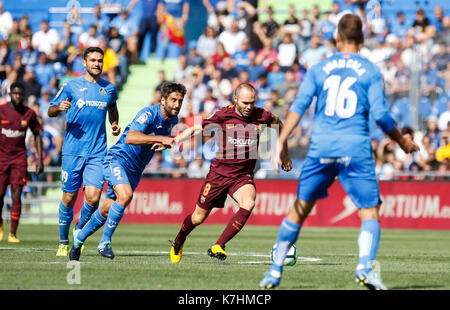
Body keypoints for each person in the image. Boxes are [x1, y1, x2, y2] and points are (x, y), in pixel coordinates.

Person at [259, 14, 419, 290]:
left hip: (321, 146)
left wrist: (281, 141)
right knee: (370, 210)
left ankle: (274, 272)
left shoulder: (318, 68)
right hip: (355, 147)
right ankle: (365, 268)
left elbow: (298, 106)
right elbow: (381, 116)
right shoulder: (370, 71)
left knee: (299, 209)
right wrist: (402, 142)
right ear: (362, 38)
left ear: (336, 37)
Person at [169, 82, 292, 264]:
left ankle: (219, 245)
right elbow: (198, 128)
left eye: (252, 103)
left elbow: (280, 126)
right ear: (235, 100)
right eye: (244, 103)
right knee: (198, 217)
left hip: (242, 176)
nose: (249, 107)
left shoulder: (262, 115)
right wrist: (176, 138)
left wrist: (285, 155)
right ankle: (179, 240)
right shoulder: (223, 114)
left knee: (248, 203)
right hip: (219, 174)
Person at [69, 81, 186, 260]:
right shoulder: (148, 114)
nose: (177, 105)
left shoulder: (173, 120)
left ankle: (78, 240)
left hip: (135, 169)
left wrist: (162, 144)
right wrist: (163, 138)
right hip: (117, 160)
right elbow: (131, 137)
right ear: (163, 100)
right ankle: (104, 243)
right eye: (173, 100)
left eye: (180, 101)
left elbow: (155, 140)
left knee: (107, 209)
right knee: (126, 195)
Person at [48, 46, 121, 257]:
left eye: (100, 60)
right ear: (84, 63)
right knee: (69, 198)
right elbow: (51, 110)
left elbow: (112, 108)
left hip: (97, 153)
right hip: (72, 152)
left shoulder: (109, 88)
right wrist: (58, 108)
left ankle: (79, 229)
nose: (97, 64)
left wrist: (114, 123)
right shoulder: (71, 86)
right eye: (93, 60)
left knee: (93, 197)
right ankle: (63, 242)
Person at [0, 82, 43, 242]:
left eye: (20, 94)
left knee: (16, 194)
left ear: (23, 95)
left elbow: (37, 134)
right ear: (10, 94)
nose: (17, 96)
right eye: (15, 93)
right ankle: (0, 225)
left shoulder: (29, 114)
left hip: (19, 158)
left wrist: (39, 159)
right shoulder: (1, 110)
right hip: (1, 158)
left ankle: (13, 233)